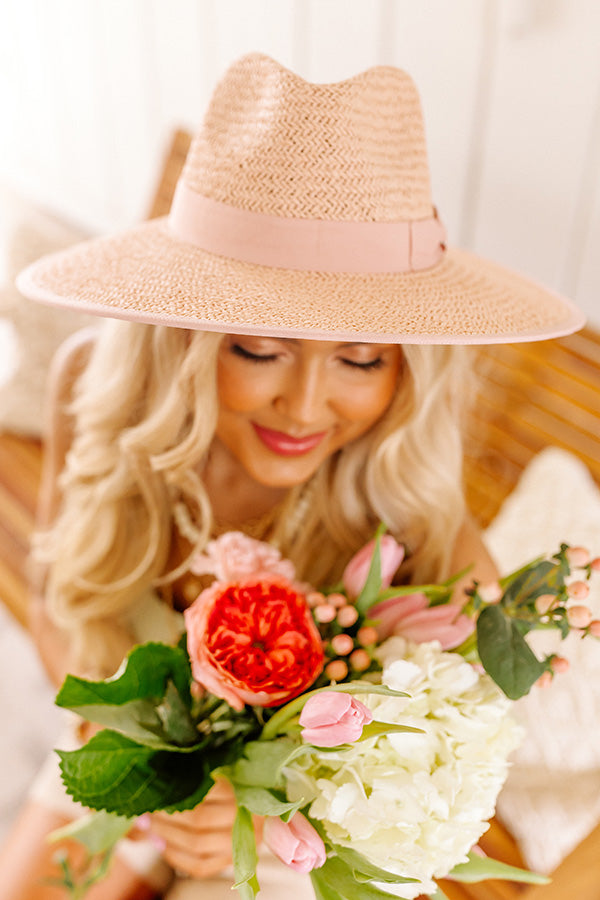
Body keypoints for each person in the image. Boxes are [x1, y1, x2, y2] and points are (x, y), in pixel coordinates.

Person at [0, 53, 584, 900]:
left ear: (407, 370)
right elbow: (63, 604)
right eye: (258, 349)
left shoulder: (415, 523)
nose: (306, 407)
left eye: (359, 359)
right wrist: (146, 763)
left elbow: (460, 750)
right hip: (124, 751)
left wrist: (262, 804)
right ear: (184, 333)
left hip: (293, 839)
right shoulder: (93, 387)